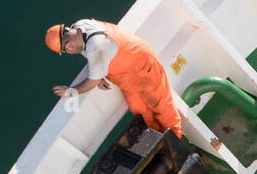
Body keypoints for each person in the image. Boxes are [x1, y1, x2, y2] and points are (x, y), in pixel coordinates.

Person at [45, 20, 183, 137]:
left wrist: (70, 92)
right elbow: (92, 56)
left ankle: (176, 138)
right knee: (138, 108)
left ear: (68, 46)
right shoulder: (79, 25)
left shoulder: (96, 46)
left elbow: (92, 79)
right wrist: (98, 75)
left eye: (64, 50)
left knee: (160, 104)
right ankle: (159, 137)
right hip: (125, 77)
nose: (68, 52)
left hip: (143, 66)